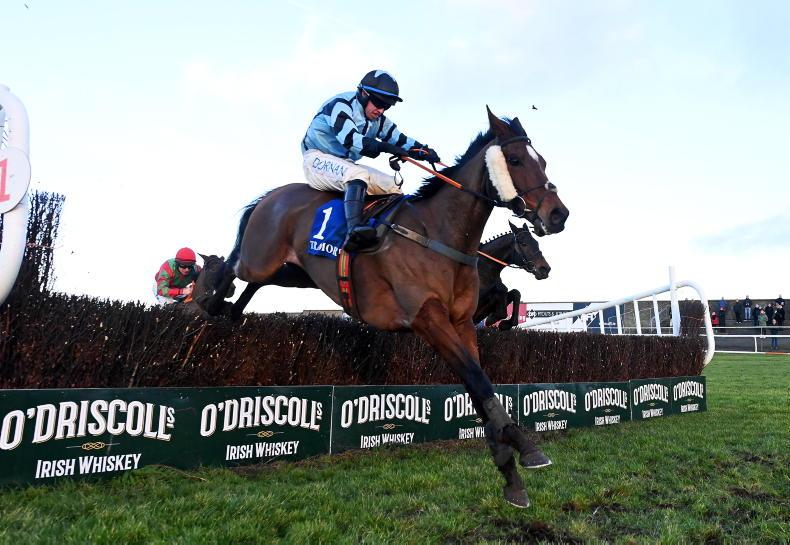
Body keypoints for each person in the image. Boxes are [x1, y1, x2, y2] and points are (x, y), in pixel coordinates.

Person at [301, 69, 440, 251]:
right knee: (357, 174)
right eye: (379, 103)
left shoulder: (378, 119)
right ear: (363, 94)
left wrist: (421, 150)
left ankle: (385, 234)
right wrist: (385, 147)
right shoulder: (341, 105)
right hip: (316, 158)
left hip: (344, 163)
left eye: (386, 106)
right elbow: (350, 139)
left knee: (392, 186)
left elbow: (399, 139)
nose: (381, 110)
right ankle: (354, 230)